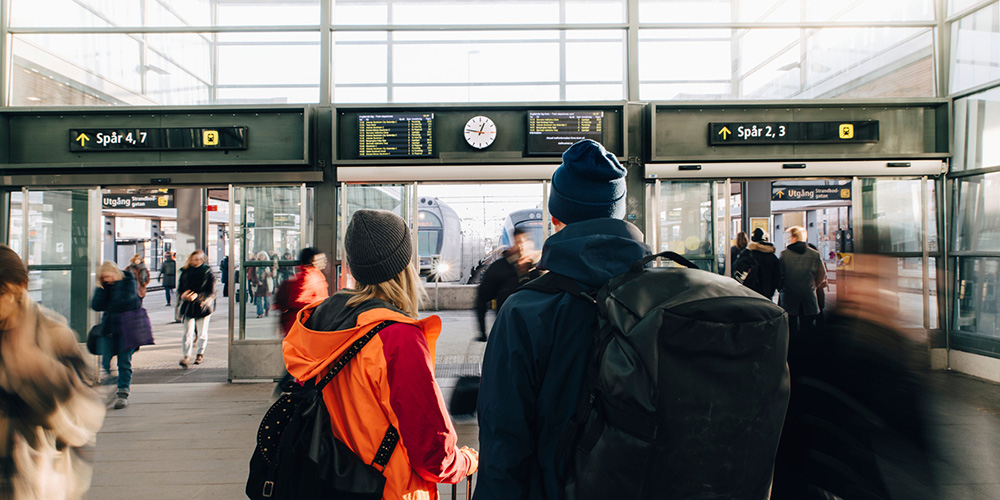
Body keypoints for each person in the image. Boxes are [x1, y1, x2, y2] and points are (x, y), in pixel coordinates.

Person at [476, 139, 648, 500]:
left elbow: (504, 442)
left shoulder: (525, 311)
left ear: (556, 218)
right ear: (618, 215)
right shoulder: (659, 297)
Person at [283, 209, 478, 498]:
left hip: (331, 480)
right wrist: (466, 462)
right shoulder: (398, 338)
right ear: (404, 265)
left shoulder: (320, 322)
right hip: (388, 489)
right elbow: (432, 454)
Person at [771, 253, 938, 500]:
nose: (873, 293)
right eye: (865, 279)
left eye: (879, 282)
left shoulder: (897, 365)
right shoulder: (819, 351)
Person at [0, 245, 105, 499]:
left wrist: (40, 370)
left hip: (29, 475)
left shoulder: (54, 334)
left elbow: (87, 415)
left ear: (20, 287)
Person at [474, 227, 540, 342]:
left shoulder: (535, 271)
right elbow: (482, 298)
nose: (522, 247)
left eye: (526, 242)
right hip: (507, 332)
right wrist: (483, 332)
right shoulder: (499, 268)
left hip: (533, 334)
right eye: (519, 242)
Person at [91, 261, 141, 409]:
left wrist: (112, 296)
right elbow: (96, 305)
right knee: (105, 361)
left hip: (127, 329)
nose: (107, 279)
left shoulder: (128, 281)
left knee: (124, 362)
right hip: (109, 329)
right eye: (103, 277)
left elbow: (126, 302)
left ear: (115, 273)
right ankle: (112, 382)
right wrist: (103, 289)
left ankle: (122, 392)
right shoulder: (104, 287)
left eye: (108, 276)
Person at [779, 226, 827, 335]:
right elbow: (822, 273)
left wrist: (781, 287)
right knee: (807, 327)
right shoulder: (814, 254)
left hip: (789, 295)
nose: (788, 239)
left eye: (789, 236)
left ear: (795, 237)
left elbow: (780, 274)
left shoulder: (784, 254)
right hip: (808, 294)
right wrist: (814, 285)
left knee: (790, 326)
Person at [275, 247, 329, 336]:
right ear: (313, 260)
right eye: (321, 259)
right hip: (302, 325)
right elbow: (298, 301)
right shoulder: (308, 277)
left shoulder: (309, 275)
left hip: (301, 325)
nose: (324, 262)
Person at [177, 250, 215, 368]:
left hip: (202, 305)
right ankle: (186, 356)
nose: (197, 261)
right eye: (194, 259)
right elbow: (180, 288)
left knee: (202, 332)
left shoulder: (207, 272)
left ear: (202, 260)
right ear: (190, 260)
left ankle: (200, 354)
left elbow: (211, 291)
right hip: (188, 305)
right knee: (187, 333)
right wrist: (183, 295)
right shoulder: (185, 272)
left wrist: (198, 297)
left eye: (199, 259)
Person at [733, 227, 781, 300]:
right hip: (767, 294)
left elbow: (737, 268)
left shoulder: (748, 254)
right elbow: (777, 276)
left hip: (750, 292)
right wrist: (772, 290)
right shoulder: (772, 256)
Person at [251, 250, 274, 318]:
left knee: (267, 300)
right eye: (260, 256)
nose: (261, 257)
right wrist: (257, 281)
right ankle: (260, 313)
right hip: (258, 285)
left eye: (262, 256)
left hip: (266, 284)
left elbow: (273, 273)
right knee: (258, 300)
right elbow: (253, 274)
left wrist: (268, 274)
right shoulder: (255, 265)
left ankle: (267, 309)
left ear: (265, 257)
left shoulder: (268, 264)